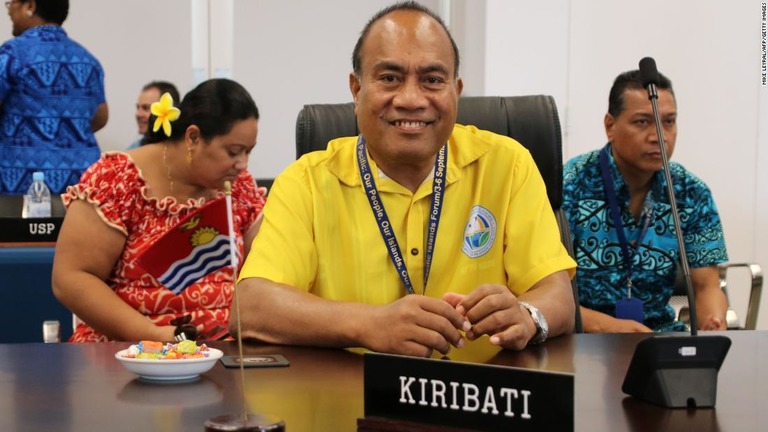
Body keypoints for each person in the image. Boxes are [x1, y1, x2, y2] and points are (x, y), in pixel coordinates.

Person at [233, 1, 576, 358]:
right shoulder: (306, 181)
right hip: (349, 402)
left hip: (479, 400)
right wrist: (369, 324)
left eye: (432, 80)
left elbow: (557, 295)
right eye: (390, 78)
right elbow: (250, 307)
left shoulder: (508, 165)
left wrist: (526, 315)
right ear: (356, 89)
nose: (411, 99)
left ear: (456, 91)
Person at [52, 78, 266, 342]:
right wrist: (152, 335)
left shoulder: (238, 186)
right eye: (234, 151)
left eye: (248, 152)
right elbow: (72, 278)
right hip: (130, 352)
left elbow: (264, 271)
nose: (243, 164)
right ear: (193, 137)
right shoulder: (119, 179)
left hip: (226, 352)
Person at [562, 69, 728, 333]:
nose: (659, 136)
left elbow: (706, 286)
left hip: (658, 337)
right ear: (610, 126)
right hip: (580, 339)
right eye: (642, 122)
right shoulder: (570, 184)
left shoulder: (690, 192)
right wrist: (612, 328)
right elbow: (546, 292)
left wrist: (713, 322)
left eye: (669, 122)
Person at [0, 0, 108, 195]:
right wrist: (66, 130)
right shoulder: (88, 61)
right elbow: (101, 116)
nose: (8, 11)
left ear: (30, 6)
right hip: (80, 183)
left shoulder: (13, 54)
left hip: (21, 180)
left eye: (11, 3)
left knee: (14, 226)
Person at [127, 80, 180, 150]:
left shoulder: (184, 151)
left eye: (146, 108)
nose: (138, 114)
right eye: (138, 107)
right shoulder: (133, 150)